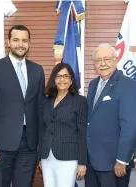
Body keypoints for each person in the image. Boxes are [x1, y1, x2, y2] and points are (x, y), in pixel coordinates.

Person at [0, 25, 45, 187]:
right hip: (0, 144)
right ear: (8, 42)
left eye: (24, 40)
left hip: (29, 145)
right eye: (16, 40)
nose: (20, 44)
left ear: (29, 43)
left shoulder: (37, 70)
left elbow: (39, 107)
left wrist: (40, 143)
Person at [85, 43, 136, 187]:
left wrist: (122, 159)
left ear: (116, 59)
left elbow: (130, 125)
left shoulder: (128, 85)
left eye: (107, 59)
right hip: (92, 160)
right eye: (98, 60)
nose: (102, 64)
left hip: (113, 162)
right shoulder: (93, 84)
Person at [39, 63, 87, 187]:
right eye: (58, 76)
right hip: (46, 156)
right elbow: (42, 129)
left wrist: (82, 162)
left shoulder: (80, 101)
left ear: (71, 80)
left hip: (68, 156)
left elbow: (83, 133)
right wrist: (40, 157)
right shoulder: (46, 100)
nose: (62, 79)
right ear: (54, 79)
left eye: (65, 76)